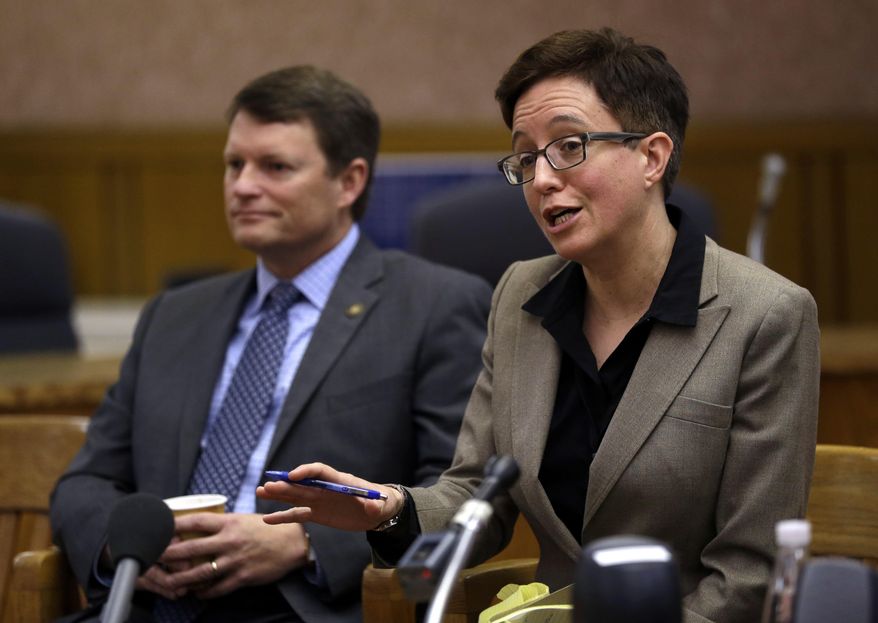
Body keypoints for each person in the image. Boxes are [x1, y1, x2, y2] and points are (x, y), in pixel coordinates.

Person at [257, 29, 820, 623]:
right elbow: (478, 495)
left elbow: (749, 573)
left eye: (569, 146)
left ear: (652, 156)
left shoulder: (766, 315)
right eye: (526, 157)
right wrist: (390, 509)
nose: (542, 178)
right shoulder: (522, 293)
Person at [50, 65, 492, 623]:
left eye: (275, 167)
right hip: (148, 603)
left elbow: (458, 498)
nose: (243, 186)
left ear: (349, 182)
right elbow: (86, 480)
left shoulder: (434, 305)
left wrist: (305, 542)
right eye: (234, 164)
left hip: (302, 604)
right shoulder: (174, 315)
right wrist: (126, 546)